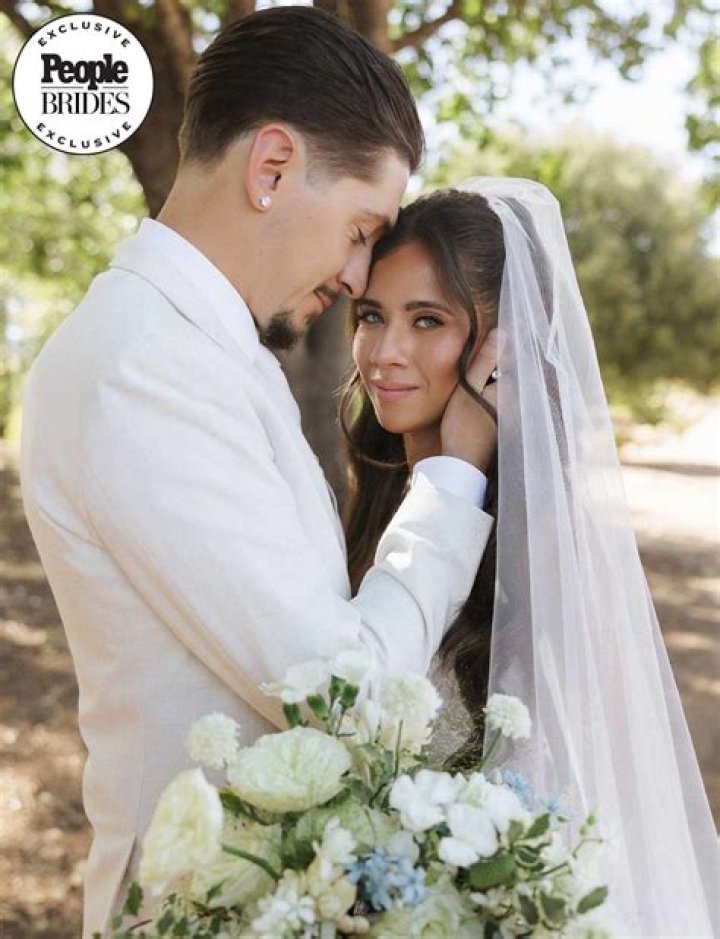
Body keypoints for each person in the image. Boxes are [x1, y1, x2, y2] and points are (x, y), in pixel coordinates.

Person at [19, 9, 500, 937]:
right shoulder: (141, 364)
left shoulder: (205, 348)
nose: (358, 276)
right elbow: (346, 698)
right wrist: (451, 479)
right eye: (361, 228)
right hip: (199, 907)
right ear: (271, 167)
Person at [340, 181, 718, 936]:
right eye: (372, 316)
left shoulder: (541, 549)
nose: (384, 353)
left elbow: (567, 809)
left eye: (427, 320)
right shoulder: (374, 502)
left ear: (499, 351)